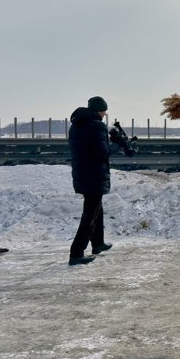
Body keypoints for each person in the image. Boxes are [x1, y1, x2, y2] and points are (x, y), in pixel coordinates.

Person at [67, 96, 114, 266]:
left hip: (82, 173)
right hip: (94, 175)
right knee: (90, 214)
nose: (104, 114)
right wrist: (114, 146)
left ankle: (98, 243)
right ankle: (76, 253)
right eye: (104, 111)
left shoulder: (76, 126)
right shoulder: (97, 126)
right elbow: (101, 152)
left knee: (96, 208)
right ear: (99, 110)